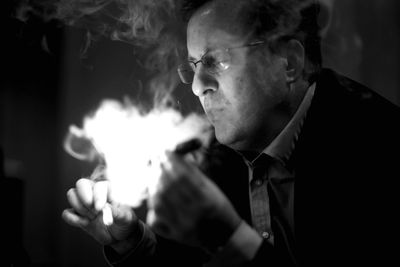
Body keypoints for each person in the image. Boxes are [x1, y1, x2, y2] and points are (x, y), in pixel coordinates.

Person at [62, 0, 400, 266]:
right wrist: (135, 242)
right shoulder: (217, 152)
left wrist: (227, 236)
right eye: (193, 66)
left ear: (289, 62)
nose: (196, 87)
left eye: (215, 61)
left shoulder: (379, 148)